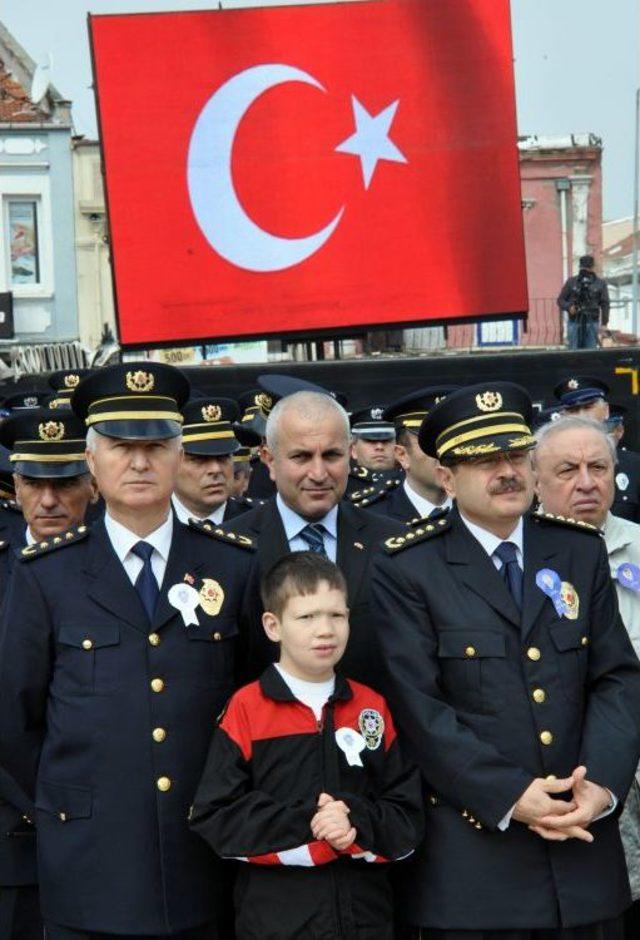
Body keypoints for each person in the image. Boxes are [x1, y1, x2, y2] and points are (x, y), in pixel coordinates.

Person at [370, 381, 640, 939]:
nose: (506, 471)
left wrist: (601, 789)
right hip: (476, 869)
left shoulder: (576, 549)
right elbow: (419, 708)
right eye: (483, 460)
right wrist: (513, 795)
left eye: (515, 455)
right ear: (446, 477)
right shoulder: (408, 567)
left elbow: (615, 678)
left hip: (583, 855)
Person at [0, 362, 258, 939]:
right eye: (120, 446)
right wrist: (72, 801)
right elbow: (15, 720)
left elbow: (253, 699)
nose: (139, 463)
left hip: (206, 854)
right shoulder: (47, 573)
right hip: (91, 859)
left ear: (178, 454)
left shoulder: (233, 565)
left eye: (156, 445)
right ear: (91, 462)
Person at [189, 551, 423, 940]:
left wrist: (355, 823)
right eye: (307, 617)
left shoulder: (371, 707)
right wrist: (312, 824)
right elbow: (216, 817)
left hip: (366, 920)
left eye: (337, 615)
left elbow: (407, 816)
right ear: (272, 625)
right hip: (276, 924)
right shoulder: (247, 708)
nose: (326, 630)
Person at [532, 414, 640, 934]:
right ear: (534, 479)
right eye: (567, 469)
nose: (586, 482)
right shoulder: (517, 557)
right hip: (571, 783)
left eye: (598, 467)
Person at [226, 387, 404, 684]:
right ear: (269, 460)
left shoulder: (393, 544)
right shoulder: (229, 548)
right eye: (302, 457)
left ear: (350, 455)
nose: (319, 473)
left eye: (331, 455)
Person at [0, 407, 99, 547]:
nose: (48, 502)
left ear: (94, 487)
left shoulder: (121, 561)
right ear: (17, 488)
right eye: (33, 484)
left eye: (65, 484)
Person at [354, 388, 455, 522]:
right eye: (430, 443)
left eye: (452, 441)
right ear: (402, 455)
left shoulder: (483, 511)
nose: (444, 452)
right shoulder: (369, 518)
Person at [554, 377, 640, 523]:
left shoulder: (635, 465)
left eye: (588, 407)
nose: (582, 416)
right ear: (562, 417)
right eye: (573, 410)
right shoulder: (550, 466)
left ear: (606, 411)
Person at [173, 396, 257, 524]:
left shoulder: (262, 520)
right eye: (200, 459)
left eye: (223, 457)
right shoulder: (147, 522)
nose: (216, 469)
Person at [557, 254, 610, 350]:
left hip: (592, 321)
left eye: (587, 267)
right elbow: (560, 300)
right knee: (573, 352)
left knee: (590, 352)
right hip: (574, 321)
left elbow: (605, 303)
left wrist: (604, 323)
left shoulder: (600, 283)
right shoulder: (572, 281)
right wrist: (569, 307)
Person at [349, 405, 398, 474]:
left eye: (387, 440)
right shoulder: (342, 482)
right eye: (370, 440)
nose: (379, 447)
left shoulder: (414, 482)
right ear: (353, 450)